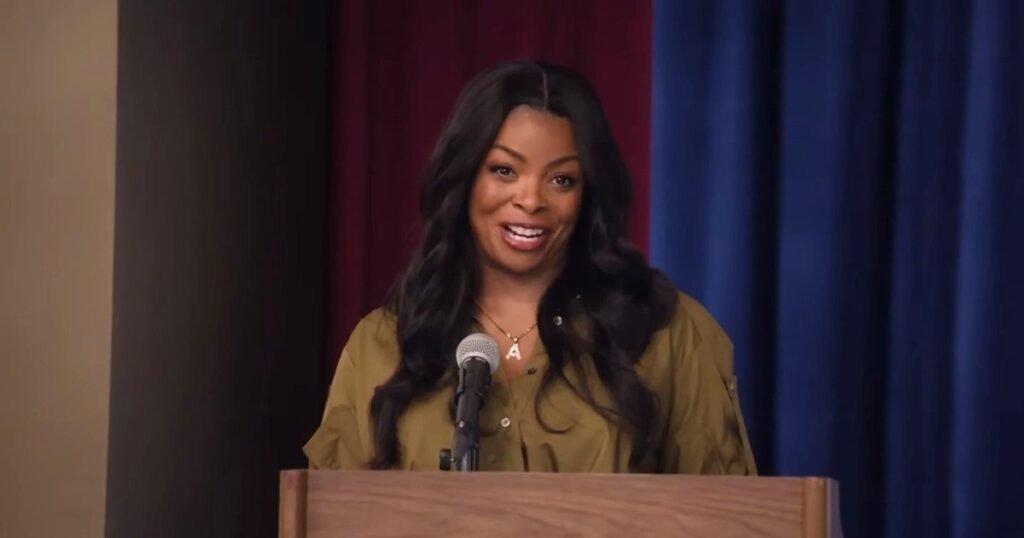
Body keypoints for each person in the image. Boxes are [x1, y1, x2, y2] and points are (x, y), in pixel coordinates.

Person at [304, 60, 756, 474]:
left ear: (587, 194)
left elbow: (725, 513)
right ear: (464, 178)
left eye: (561, 179)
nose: (531, 200)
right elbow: (329, 513)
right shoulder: (382, 346)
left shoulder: (665, 334)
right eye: (505, 171)